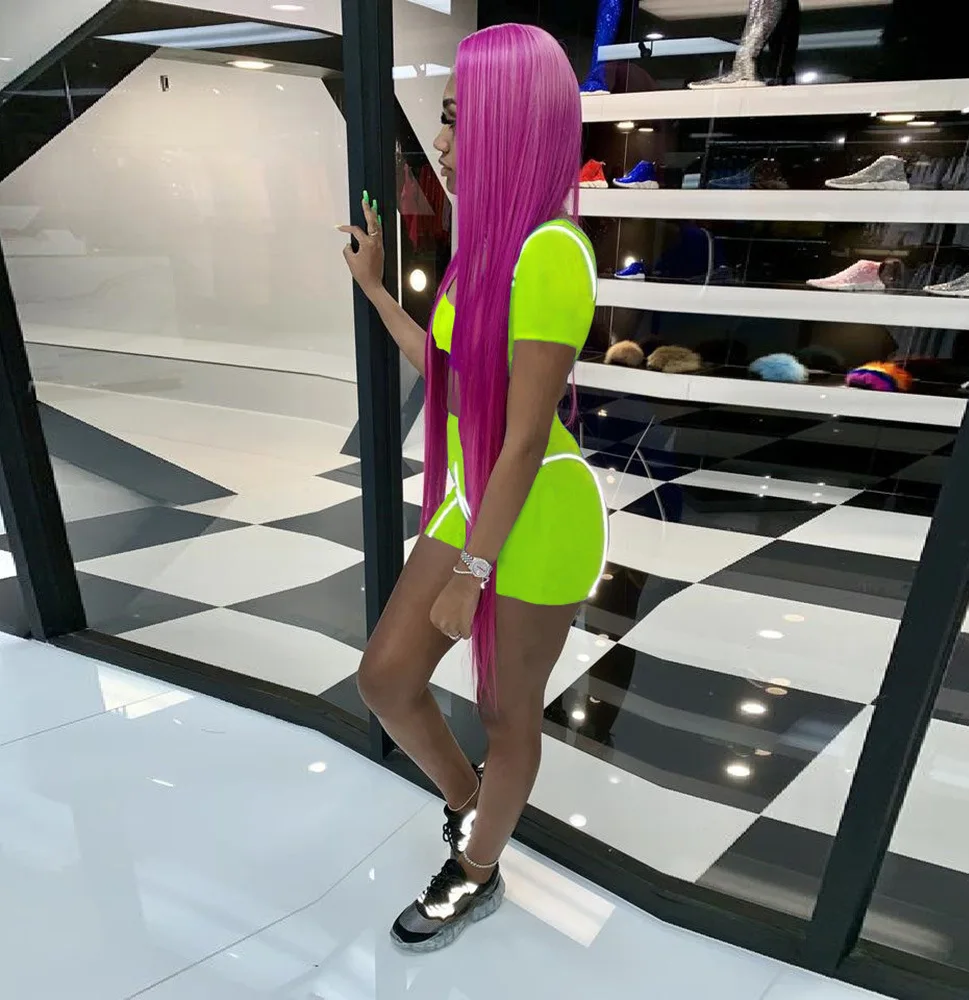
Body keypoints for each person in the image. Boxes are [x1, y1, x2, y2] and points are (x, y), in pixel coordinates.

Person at [337, 22, 606, 953]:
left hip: (538, 513)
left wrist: (472, 572)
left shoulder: (554, 252)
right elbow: (450, 374)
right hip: (474, 498)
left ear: (512, 126)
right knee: (386, 678)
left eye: (458, 119)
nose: (443, 141)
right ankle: (470, 806)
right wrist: (378, 291)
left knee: (506, 710)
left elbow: (525, 436)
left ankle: (478, 869)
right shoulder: (485, 249)